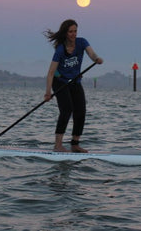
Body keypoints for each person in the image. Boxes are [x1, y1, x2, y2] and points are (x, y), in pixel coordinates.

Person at [43, 19, 103, 152]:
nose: (73, 34)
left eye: (75, 31)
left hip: (75, 81)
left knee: (80, 111)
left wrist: (96, 59)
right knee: (66, 110)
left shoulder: (82, 42)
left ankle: (75, 144)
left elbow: (91, 54)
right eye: (70, 31)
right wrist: (48, 93)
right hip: (60, 82)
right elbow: (51, 72)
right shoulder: (60, 49)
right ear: (65, 33)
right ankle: (57, 145)